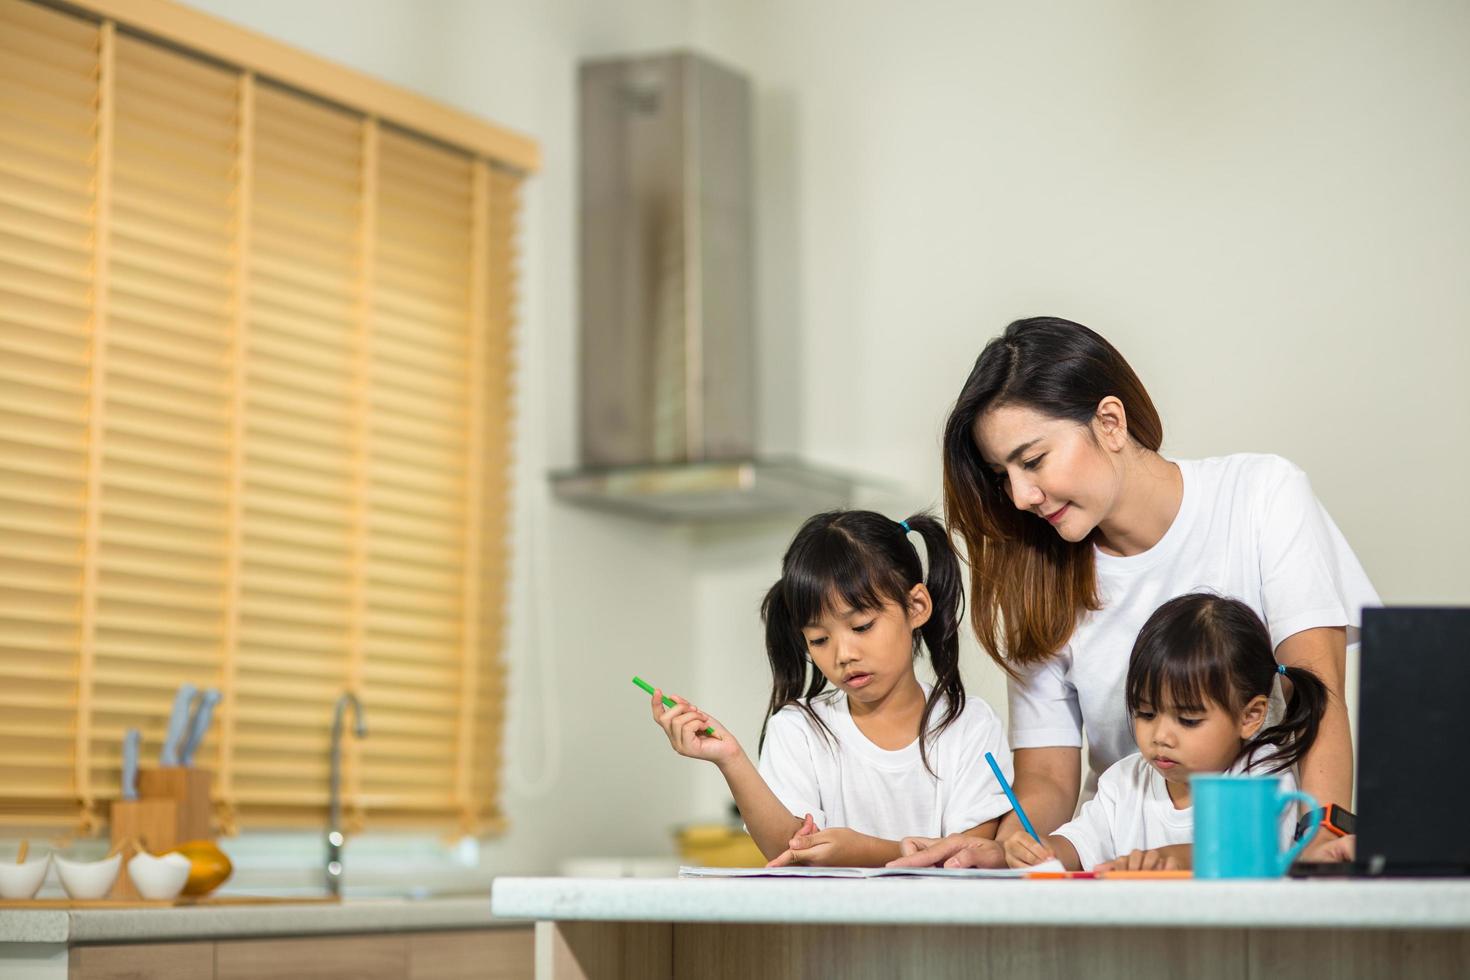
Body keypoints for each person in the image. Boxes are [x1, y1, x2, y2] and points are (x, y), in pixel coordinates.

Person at [893, 316, 1376, 869]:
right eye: (1003, 476)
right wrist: (1007, 847)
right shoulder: (1038, 576)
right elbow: (1048, 779)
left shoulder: (1263, 496)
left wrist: (1317, 841)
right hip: (1119, 873)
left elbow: (1320, 696)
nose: (1021, 495)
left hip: (1256, 863)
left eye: (1033, 461)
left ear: (1110, 421)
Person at [649, 510, 1013, 867]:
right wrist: (730, 759)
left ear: (916, 606)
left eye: (862, 626)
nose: (843, 655)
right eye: (820, 639)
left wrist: (862, 851)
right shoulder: (798, 728)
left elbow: (969, 856)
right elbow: (786, 849)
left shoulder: (970, 725)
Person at [992, 593, 1327, 871]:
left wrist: (1169, 859)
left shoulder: (1260, 774)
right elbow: (1079, 844)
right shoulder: (1123, 783)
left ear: (1250, 716)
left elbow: (1243, 852)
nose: (1161, 736)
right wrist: (1044, 851)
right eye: (1146, 713)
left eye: (1188, 720)